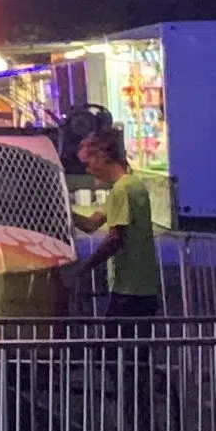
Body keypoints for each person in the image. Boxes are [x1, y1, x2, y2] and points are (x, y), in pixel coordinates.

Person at [73, 125, 161, 318]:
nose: (88, 170)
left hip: (129, 289)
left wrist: (85, 268)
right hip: (140, 287)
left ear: (103, 157)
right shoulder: (130, 185)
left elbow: (115, 238)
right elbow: (91, 224)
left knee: (118, 345)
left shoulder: (121, 190)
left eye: (88, 163)